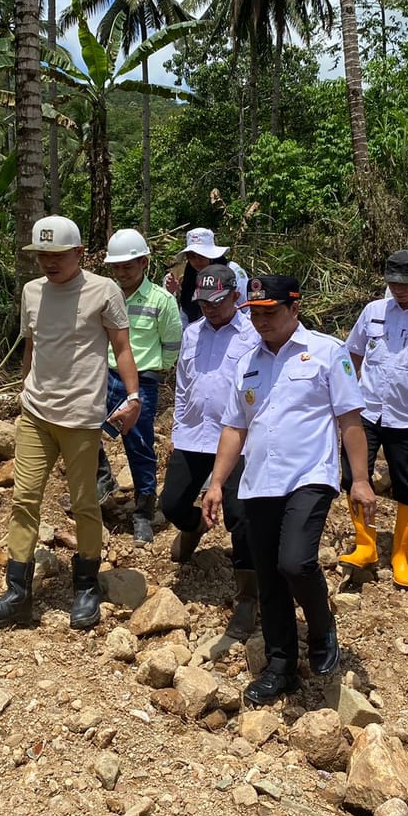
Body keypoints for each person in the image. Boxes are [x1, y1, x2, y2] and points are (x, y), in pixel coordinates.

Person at [203, 276, 376, 705]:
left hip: (310, 476)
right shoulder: (248, 362)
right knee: (269, 576)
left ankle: (321, 629)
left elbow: (350, 420)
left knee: (295, 562)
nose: (261, 321)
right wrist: (217, 481)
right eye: (254, 314)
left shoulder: (327, 352)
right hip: (259, 481)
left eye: (270, 312)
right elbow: (234, 428)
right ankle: (280, 665)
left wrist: (359, 479)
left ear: (294, 308)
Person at [0, 216, 142, 632]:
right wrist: (24, 387)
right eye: (42, 255)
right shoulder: (32, 292)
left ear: (79, 254)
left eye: (57, 255)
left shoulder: (104, 291)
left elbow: (122, 347)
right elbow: (32, 346)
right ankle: (17, 593)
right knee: (24, 499)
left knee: (85, 503)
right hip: (35, 413)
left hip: (81, 417)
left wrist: (134, 397)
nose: (49, 262)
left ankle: (85, 585)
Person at [161, 264, 262, 638]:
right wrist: (177, 429)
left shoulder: (253, 335)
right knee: (171, 503)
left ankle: (248, 596)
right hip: (194, 435)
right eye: (204, 303)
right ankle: (196, 525)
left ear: (236, 296)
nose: (210, 309)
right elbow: (184, 384)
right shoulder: (192, 333)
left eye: (218, 302)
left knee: (240, 516)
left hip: (237, 438)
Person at [339, 249, 408, 587]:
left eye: (406, 283)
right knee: (354, 474)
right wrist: (341, 397)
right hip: (367, 410)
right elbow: (352, 354)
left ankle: (400, 554)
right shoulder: (373, 311)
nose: (398, 289)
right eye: (393, 283)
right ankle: (366, 545)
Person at [96, 229, 183, 544]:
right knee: (83, 429)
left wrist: (155, 370)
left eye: (128, 266)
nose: (121, 273)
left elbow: (172, 344)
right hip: (104, 375)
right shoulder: (105, 295)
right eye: (116, 267)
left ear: (144, 263)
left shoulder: (161, 300)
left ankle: (144, 510)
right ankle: (102, 481)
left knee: (139, 444)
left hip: (143, 380)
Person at [163, 228, 249, 327]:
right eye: (192, 256)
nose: (197, 261)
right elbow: (185, 312)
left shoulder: (233, 270)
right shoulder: (188, 277)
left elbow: (248, 307)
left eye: (201, 255)